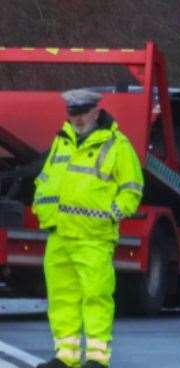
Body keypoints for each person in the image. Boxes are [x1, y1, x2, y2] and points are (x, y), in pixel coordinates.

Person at [32, 89, 144, 368]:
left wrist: (112, 215)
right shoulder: (63, 141)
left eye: (83, 113)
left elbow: (132, 188)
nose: (78, 119)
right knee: (61, 299)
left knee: (96, 297)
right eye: (73, 113)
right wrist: (40, 204)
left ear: (96, 111)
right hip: (59, 234)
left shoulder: (116, 144)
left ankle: (96, 359)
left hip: (93, 236)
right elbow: (46, 177)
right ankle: (65, 357)